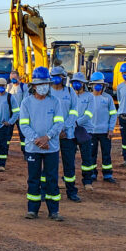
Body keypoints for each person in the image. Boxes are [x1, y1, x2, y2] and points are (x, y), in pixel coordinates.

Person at [19, 66, 65, 221]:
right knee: (34, 178)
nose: (43, 87)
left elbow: (59, 123)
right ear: (34, 86)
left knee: (52, 178)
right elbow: (24, 125)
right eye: (40, 84)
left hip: (51, 148)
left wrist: (47, 137)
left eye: (46, 83)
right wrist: (37, 141)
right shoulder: (26, 103)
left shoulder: (55, 102)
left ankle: (54, 211)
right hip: (33, 148)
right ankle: (32, 210)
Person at [50, 66, 81, 202]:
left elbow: (74, 112)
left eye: (59, 76)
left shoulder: (70, 91)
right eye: (54, 76)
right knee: (51, 165)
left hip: (68, 135)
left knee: (69, 164)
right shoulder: (48, 92)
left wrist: (65, 127)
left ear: (63, 78)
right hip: (51, 135)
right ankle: (49, 190)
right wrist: (56, 130)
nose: (56, 79)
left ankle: (71, 191)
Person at [87, 72, 118, 186]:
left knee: (106, 154)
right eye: (96, 84)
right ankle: (92, 173)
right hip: (91, 132)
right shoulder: (88, 98)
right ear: (91, 85)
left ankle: (107, 174)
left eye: (100, 84)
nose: (98, 87)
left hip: (105, 132)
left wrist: (111, 129)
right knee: (91, 154)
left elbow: (113, 114)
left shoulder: (108, 98)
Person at [72, 73, 95, 191]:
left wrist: (76, 122)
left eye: (78, 82)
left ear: (83, 84)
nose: (76, 84)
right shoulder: (70, 95)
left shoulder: (89, 97)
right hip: (71, 130)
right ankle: (69, 180)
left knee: (86, 158)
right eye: (74, 82)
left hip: (85, 130)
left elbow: (89, 114)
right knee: (69, 157)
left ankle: (87, 181)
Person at [7, 70, 28, 157]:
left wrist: (21, 114)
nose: (13, 80)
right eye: (11, 78)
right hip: (10, 115)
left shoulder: (24, 87)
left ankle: (25, 153)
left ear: (18, 77)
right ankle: (4, 151)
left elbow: (25, 102)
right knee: (7, 135)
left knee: (23, 135)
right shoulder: (8, 87)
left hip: (20, 115)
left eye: (14, 78)